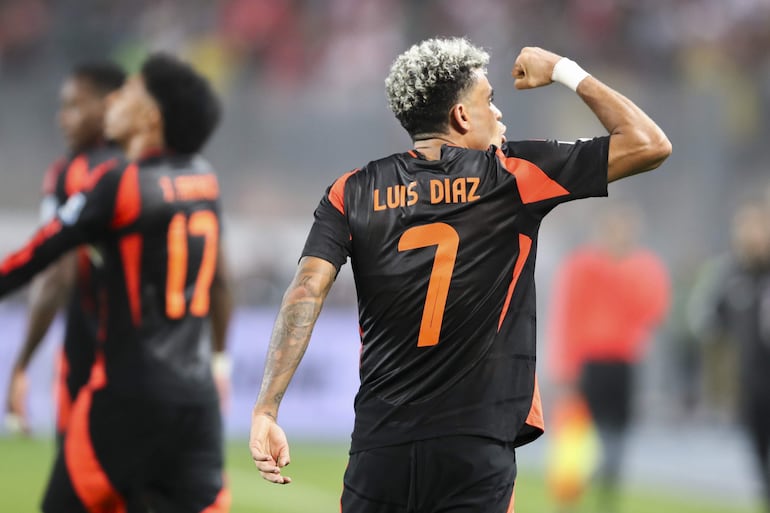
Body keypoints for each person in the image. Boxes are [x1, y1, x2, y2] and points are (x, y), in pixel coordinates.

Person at [249, 37, 671, 513]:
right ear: (462, 117)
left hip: (379, 445)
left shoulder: (352, 190)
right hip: (474, 445)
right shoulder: (513, 175)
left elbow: (306, 288)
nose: (500, 115)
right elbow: (649, 143)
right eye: (490, 101)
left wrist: (267, 409)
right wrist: (562, 69)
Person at [0, 53, 231, 513]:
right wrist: (221, 359)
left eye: (128, 93)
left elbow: (36, 257)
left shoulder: (119, 183)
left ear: (149, 116)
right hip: (196, 404)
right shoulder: (204, 177)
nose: (115, 102)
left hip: (126, 397)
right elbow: (222, 282)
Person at [3, 61, 125, 438]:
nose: (62, 118)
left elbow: (56, 271)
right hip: (156, 359)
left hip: (90, 356)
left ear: (109, 105)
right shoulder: (152, 165)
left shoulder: (69, 174)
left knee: (73, 491)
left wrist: (22, 362)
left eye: (74, 106)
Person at [546, 204, 670, 512]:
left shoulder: (642, 267)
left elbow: (653, 310)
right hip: (589, 362)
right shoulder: (583, 267)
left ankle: (607, 493)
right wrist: (565, 363)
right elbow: (568, 315)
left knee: (617, 432)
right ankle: (571, 494)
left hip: (623, 361)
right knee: (579, 433)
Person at [689, 198, 770, 512]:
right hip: (750, 383)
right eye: (744, 228)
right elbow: (706, 320)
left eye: (757, 227)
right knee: (758, 453)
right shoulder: (729, 275)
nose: (751, 235)